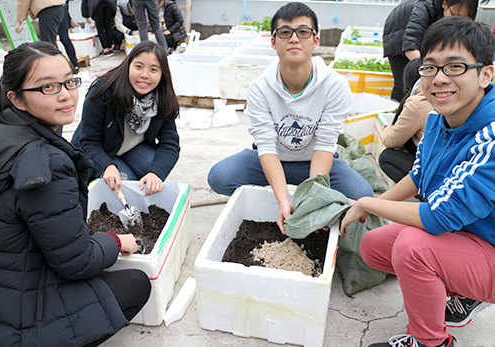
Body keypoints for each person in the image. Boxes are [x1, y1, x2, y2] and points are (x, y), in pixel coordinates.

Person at [0, 41, 151, 346]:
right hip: (11, 320)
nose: (66, 94)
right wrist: (116, 241)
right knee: (137, 283)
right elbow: (75, 262)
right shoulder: (44, 163)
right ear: (15, 98)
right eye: (48, 87)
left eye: (69, 81)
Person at [341, 16, 495, 347]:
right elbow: (419, 175)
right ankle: (458, 290)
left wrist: (368, 202)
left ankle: (430, 342)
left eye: (455, 67)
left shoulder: (491, 135)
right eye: (430, 67)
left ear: (486, 74)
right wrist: (376, 203)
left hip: (487, 246)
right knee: (373, 245)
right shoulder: (438, 120)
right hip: (468, 235)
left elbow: (440, 217)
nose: (439, 79)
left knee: (414, 248)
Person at [207, 2, 374, 234]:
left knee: (365, 197)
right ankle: (278, 190)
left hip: (314, 161)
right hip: (272, 159)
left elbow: (325, 144)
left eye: (303, 32)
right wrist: (283, 201)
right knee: (219, 177)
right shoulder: (260, 88)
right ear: (273, 42)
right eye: (285, 32)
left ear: (315, 40)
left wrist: (314, 201)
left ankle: (296, 191)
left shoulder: (334, 86)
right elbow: (265, 145)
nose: (294, 39)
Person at [72, 40, 180, 196]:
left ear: (162, 74)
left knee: (152, 166)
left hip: (131, 149)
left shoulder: (161, 99)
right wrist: (106, 166)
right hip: (99, 151)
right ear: (128, 65)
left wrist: (155, 173)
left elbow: (170, 145)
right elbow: (88, 141)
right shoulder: (103, 92)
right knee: (126, 184)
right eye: (138, 66)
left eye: (153, 69)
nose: (144, 75)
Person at [382, 0, 483, 102]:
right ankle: (398, 110)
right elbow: (410, 48)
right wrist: (431, 68)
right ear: (444, 3)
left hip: (423, 38)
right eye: (455, 14)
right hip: (398, 37)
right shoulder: (424, 7)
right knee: (406, 81)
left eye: (462, 17)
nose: (456, 20)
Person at [379, 58, 432, 183]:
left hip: (434, 170)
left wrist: (387, 128)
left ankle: (425, 192)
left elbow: (392, 141)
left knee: (387, 157)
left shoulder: (417, 103)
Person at [58, 0, 80, 73]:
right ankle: (58, 64)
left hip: (61, 11)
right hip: (55, 11)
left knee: (64, 39)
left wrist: (70, 24)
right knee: (53, 40)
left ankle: (74, 64)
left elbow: (66, 9)